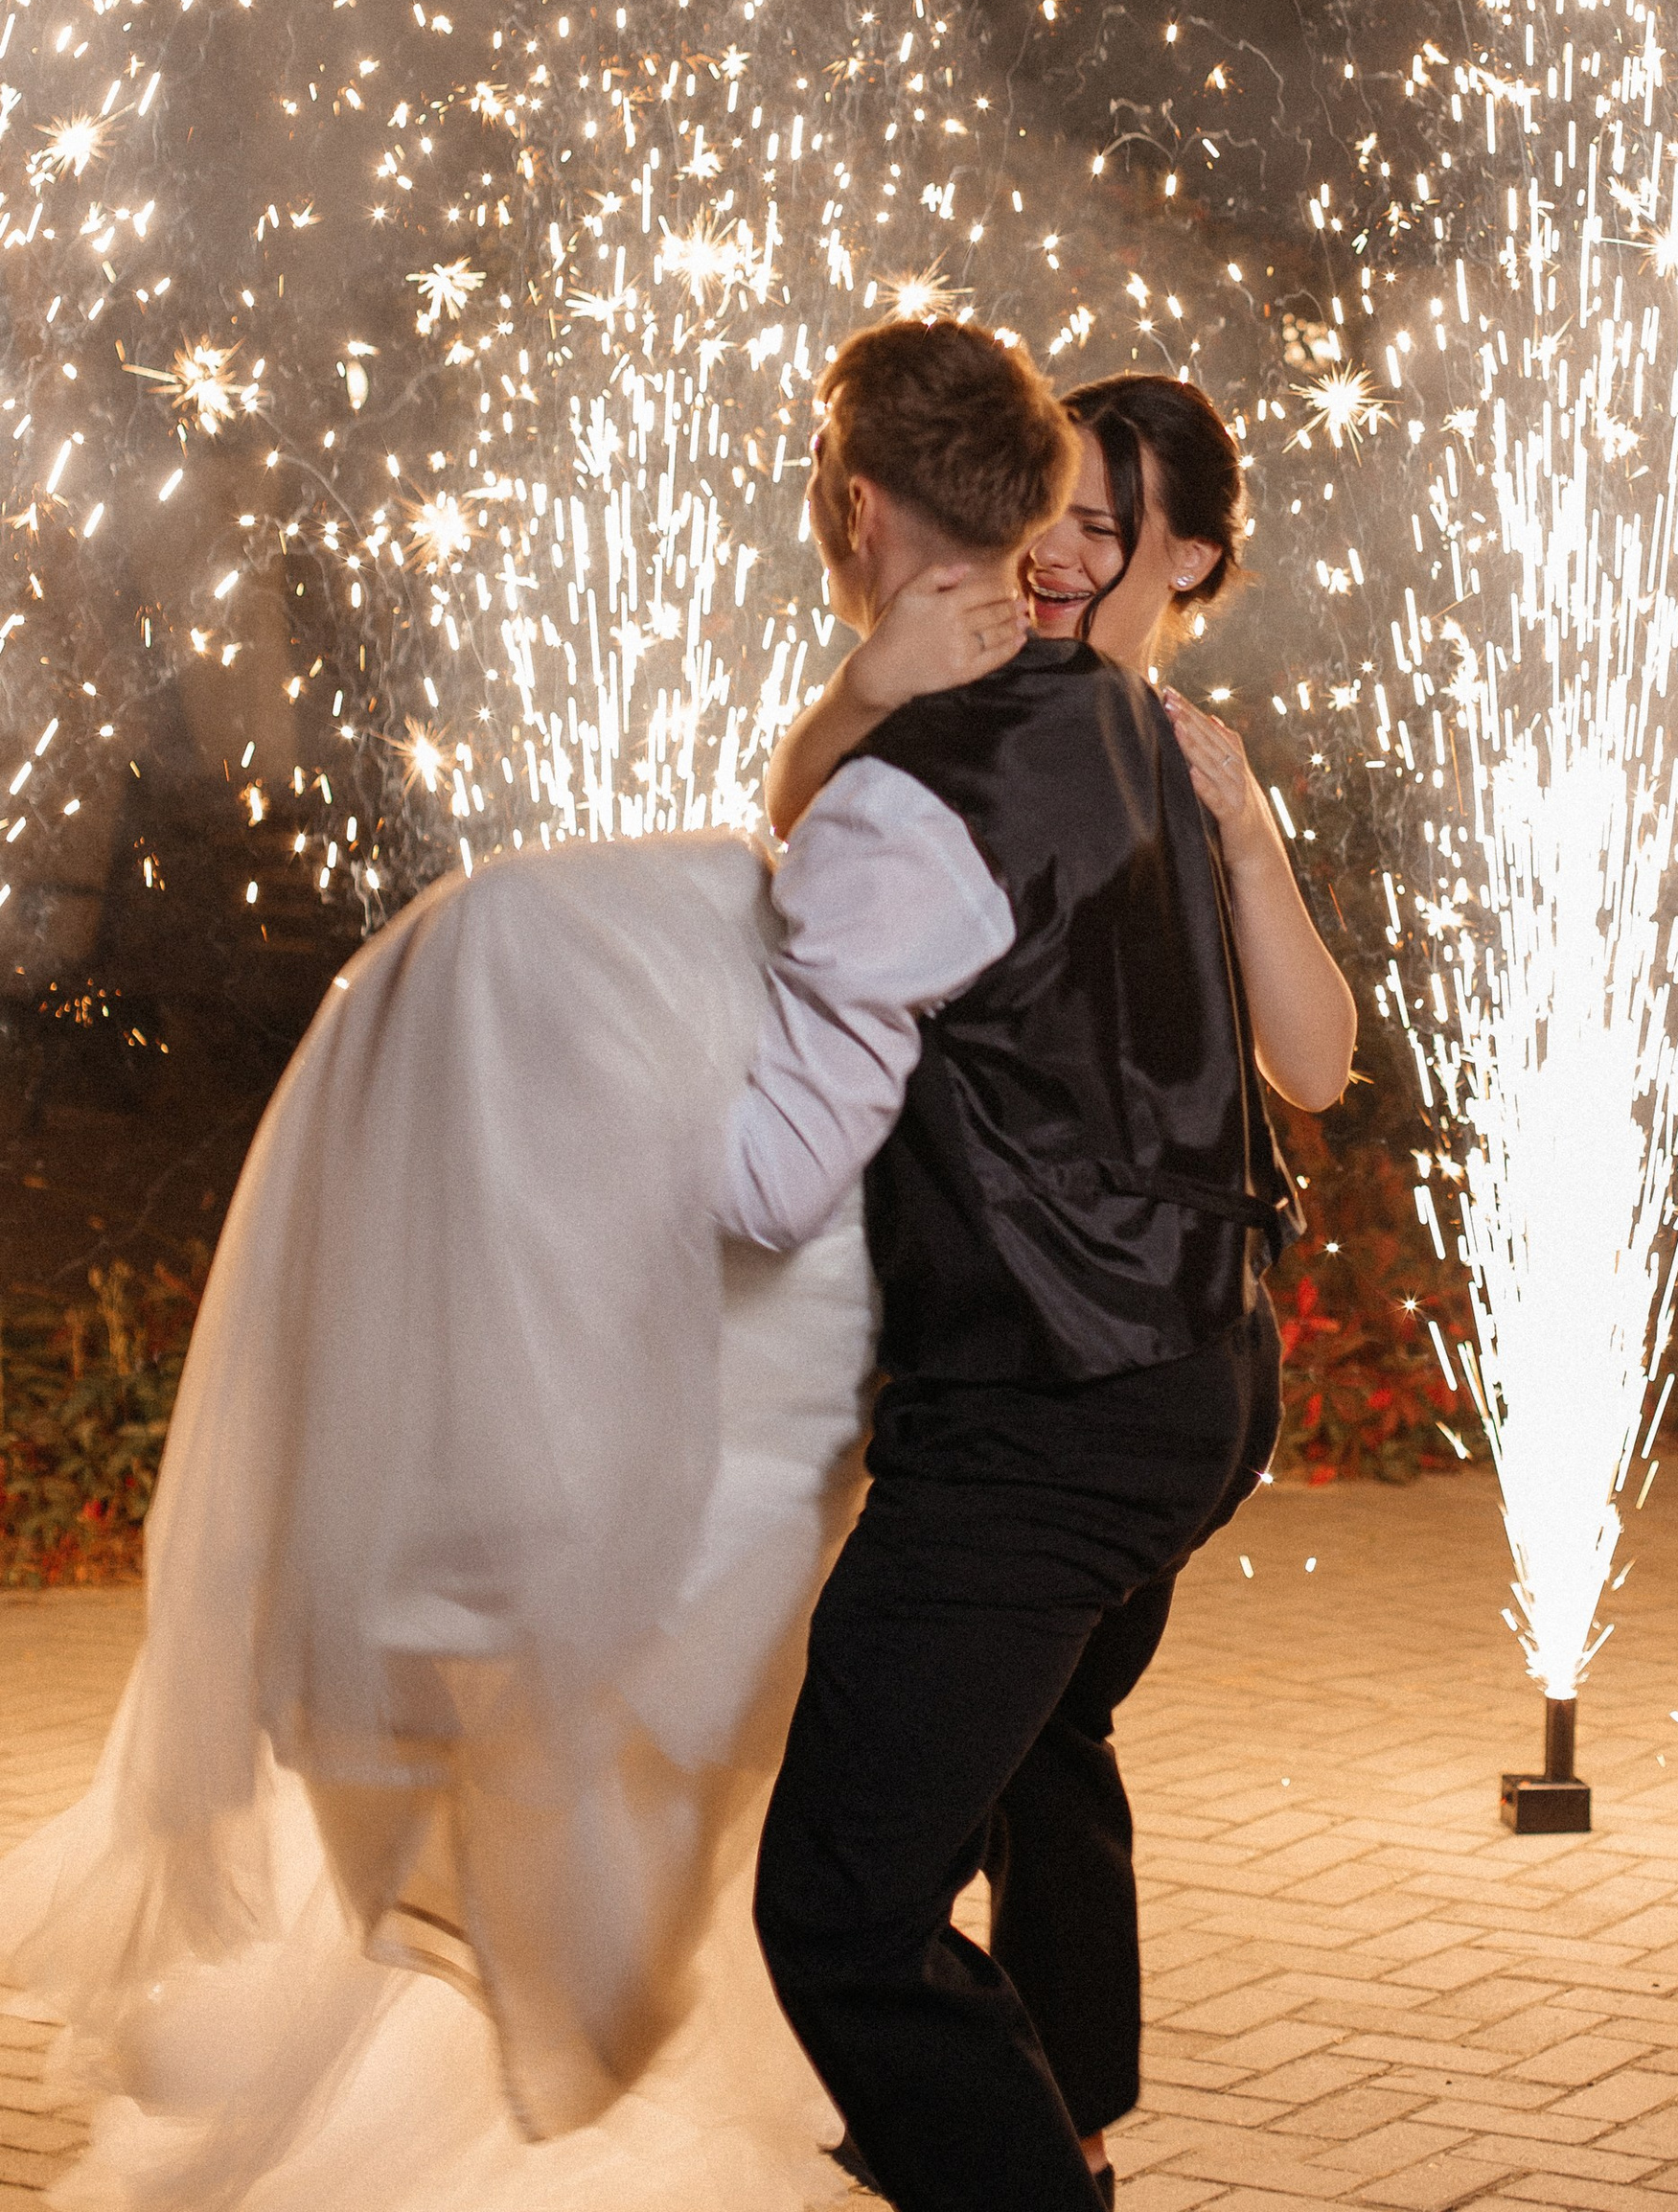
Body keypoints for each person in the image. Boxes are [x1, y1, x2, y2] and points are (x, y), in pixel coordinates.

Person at [0, 378, 1035, 2212]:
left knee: (626, 1720)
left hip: (835, 1311)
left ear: (858, 503)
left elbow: (794, 1133)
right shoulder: (1026, 694)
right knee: (667, 1741)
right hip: (862, 1336)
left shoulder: (941, 757)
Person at [726, 348, 1355, 2212]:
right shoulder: (1111, 717)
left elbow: (766, 1178)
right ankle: (1044, 2109)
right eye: (1074, 513)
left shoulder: (964, 789)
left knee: (843, 1908)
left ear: (856, 512)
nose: (1087, 555)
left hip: (1048, 1405)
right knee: (1024, 1751)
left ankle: (1031, 2144)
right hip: (1174, 1369)